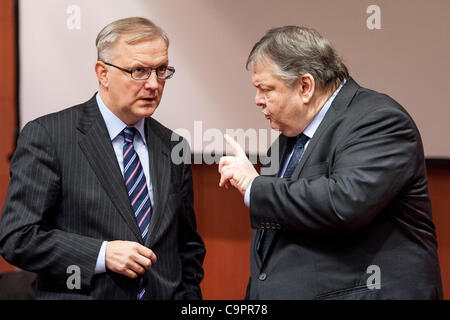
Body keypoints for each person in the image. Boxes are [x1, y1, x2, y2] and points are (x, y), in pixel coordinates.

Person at [218, 26, 442, 299]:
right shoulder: (288, 138)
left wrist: (255, 185)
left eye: (265, 89)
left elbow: (343, 203)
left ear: (305, 86)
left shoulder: (378, 120)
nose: (258, 101)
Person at [0, 17, 205, 300]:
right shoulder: (49, 136)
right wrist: (102, 254)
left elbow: (186, 246)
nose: (153, 84)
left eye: (160, 70)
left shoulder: (173, 146)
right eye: (138, 71)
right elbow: (18, 237)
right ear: (103, 72)